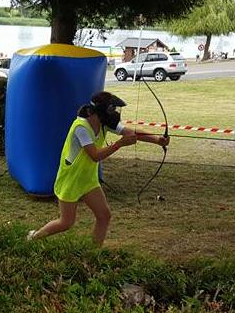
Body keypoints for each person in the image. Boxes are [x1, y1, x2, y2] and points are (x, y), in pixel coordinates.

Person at [27, 91, 169, 246]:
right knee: (66, 222)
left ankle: (94, 253)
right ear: (102, 112)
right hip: (71, 179)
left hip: (88, 179)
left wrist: (157, 140)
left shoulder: (104, 124)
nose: (115, 114)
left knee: (104, 216)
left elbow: (131, 133)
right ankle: (34, 237)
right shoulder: (80, 127)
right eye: (112, 110)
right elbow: (94, 155)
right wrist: (119, 144)